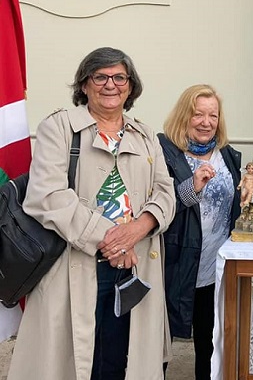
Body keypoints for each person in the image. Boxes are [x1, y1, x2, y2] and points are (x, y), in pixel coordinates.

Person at [8, 47, 176, 380]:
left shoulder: (145, 135)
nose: (109, 85)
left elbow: (166, 192)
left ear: (130, 86)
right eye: (100, 77)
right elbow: (48, 195)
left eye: (119, 77)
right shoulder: (60, 128)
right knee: (75, 362)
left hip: (134, 267)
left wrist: (139, 228)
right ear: (84, 85)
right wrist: (111, 239)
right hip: (77, 267)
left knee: (119, 360)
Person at [158, 84, 242, 379]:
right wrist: (192, 187)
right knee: (160, 343)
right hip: (175, 264)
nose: (206, 122)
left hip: (214, 266)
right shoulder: (165, 153)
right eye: (198, 115)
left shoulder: (228, 155)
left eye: (213, 116)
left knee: (209, 343)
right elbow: (159, 207)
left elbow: (234, 207)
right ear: (185, 116)